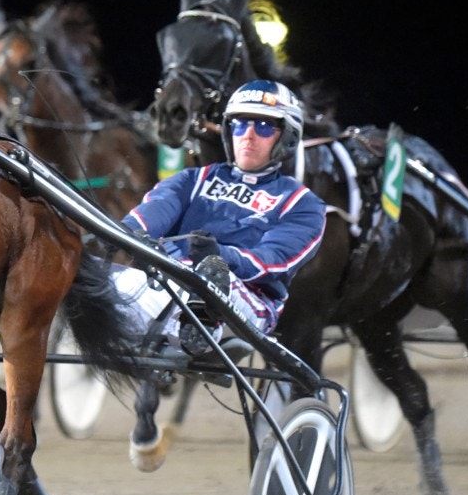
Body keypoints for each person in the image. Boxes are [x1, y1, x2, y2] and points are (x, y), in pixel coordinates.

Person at [114, 79, 327, 357]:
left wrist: (220, 256)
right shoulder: (194, 178)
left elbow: (273, 260)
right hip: (168, 284)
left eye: (263, 126)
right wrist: (121, 233)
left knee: (211, 276)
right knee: (86, 271)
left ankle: (201, 327)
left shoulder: (302, 203)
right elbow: (155, 211)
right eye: (240, 124)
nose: (248, 135)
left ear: (286, 136)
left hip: (247, 301)